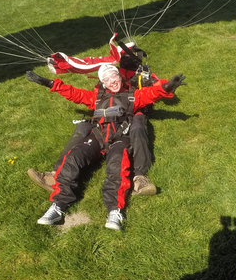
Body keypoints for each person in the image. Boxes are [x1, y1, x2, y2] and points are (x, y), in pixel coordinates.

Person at [26, 64, 186, 230]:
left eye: (114, 77)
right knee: (73, 157)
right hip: (98, 136)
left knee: (117, 164)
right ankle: (58, 205)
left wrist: (166, 87)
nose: (112, 81)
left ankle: (114, 210)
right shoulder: (96, 97)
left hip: (120, 137)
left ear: (120, 77)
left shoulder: (132, 96)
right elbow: (74, 93)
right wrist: (49, 83)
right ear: (103, 82)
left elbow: (151, 93)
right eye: (107, 79)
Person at [27, 44, 159, 196]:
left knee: (138, 125)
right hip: (107, 118)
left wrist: (165, 86)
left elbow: (156, 89)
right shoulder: (108, 79)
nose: (129, 58)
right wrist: (51, 84)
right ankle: (55, 174)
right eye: (126, 56)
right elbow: (79, 95)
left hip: (131, 112)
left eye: (132, 55)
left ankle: (140, 178)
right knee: (83, 127)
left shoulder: (141, 73)